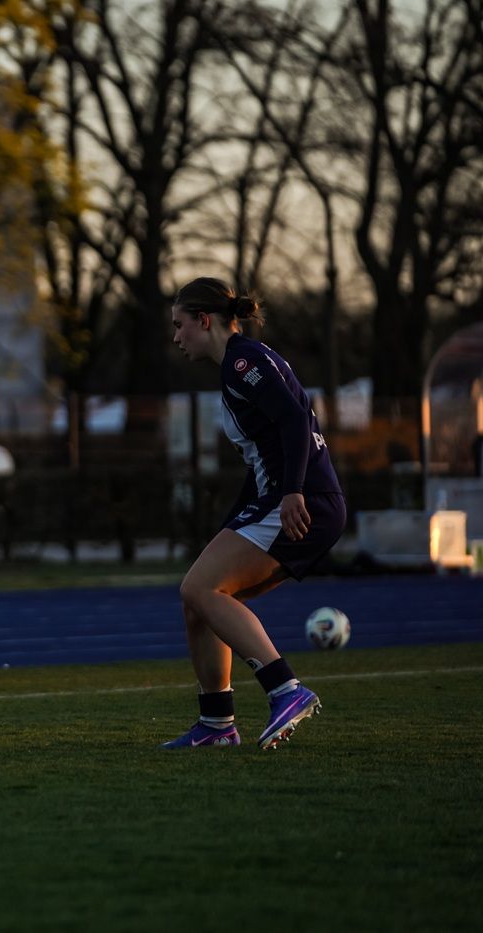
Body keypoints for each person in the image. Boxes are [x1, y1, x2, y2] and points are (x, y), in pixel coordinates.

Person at [163, 277, 346, 750]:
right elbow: (262, 458)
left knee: (200, 588)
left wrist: (292, 493)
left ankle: (286, 690)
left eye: (180, 325)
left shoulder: (243, 361)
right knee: (199, 600)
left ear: (205, 321)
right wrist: (234, 521)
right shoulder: (242, 365)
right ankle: (217, 725)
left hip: (304, 502)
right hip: (290, 500)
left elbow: (294, 421)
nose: (176, 336)